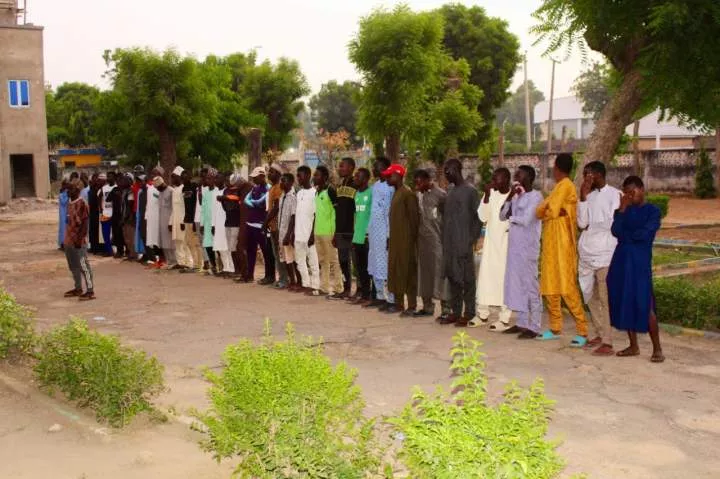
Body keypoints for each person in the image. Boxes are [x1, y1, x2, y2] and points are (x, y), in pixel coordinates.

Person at [608, 176, 664, 363]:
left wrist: (627, 235)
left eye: (633, 192)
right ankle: (633, 345)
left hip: (639, 263)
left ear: (642, 189)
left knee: (645, 303)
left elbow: (645, 234)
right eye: (626, 193)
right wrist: (622, 210)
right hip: (621, 261)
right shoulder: (623, 211)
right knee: (624, 300)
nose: (630, 196)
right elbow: (615, 231)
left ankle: (657, 348)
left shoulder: (653, 211)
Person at [536, 153, 588, 346]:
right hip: (551, 243)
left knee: (567, 286)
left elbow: (551, 209)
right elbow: (540, 210)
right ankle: (555, 327)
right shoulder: (558, 187)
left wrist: (548, 210)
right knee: (550, 285)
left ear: (557, 167)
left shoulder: (566, 185)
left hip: (563, 243)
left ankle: (582, 331)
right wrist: (548, 210)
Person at [578, 161, 621, 356]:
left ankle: (608, 342)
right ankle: (600, 332)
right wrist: (582, 198)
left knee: (604, 297)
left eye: (587, 175)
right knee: (588, 294)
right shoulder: (589, 197)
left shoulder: (615, 195)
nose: (585, 178)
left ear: (596, 175)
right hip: (587, 252)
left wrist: (595, 226)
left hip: (605, 253)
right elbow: (582, 223)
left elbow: (612, 224)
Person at [500, 166, 544, 339]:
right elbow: (502, 215)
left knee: (531, 287)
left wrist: (511, 218)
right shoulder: (518, 195)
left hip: (528, 249)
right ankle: (522, 322)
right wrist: (511, 196)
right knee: (517, 285)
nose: (516, 177)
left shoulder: (536, 197)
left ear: (529, 177)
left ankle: (535, 326)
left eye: (519, 174)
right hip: (515, 248)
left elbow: (526, 220)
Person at [442, 158, 482, 326]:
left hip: (463, 243)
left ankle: (469, 313)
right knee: (453, 278)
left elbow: (478, 218)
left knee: (467, 279)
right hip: (449, 243)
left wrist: (470, 240)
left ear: (456, 169)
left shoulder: (470, 191)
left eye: (447, 170)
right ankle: (455, 312)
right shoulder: (450, 191)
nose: (445, 174)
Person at [475, 168, 512, 330]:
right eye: (493, 179)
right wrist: (488, 196)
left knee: (504, 281)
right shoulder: (491, 194)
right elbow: (483, 217)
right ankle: (482, 314)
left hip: (506, 245)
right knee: (485, 279)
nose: (493, 182)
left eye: (496, 180)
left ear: (506, 181)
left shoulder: (514, 196)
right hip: (490, 245)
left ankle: (504, 318)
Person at [414, 168, 451, 319]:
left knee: (439, 274)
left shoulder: (441, 195)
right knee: (424, 275)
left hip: (437, 241)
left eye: (419, 182)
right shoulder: (418, 195)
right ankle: (427, 306)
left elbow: (448, 219)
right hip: (422, 242)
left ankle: (446, 309)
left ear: (428, 181)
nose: (416, 185)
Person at [386, 164, 420, 316]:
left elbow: (414, 219)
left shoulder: (407, 193)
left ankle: (411, 305)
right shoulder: (397, 192)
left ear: (398, 176)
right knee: (395, 270)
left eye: (390, 175)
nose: (387, 178)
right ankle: (399, 303)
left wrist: (412, 241)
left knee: (408, 271)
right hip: (395, 240)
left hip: (406, 241)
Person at [366, 157, 395, 310]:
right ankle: (379, 296)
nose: (373, 169)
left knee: (386, 266)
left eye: (376, 166)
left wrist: (389, 235)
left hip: (385, 232)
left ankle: (391, 299)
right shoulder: (375, 186)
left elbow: (389, 213)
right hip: (374, 232)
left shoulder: (391, 188)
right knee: (375, 264)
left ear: (385, 168)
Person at [62, 179, 95, 301]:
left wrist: (79, 239)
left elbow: (85, 223)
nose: (68, 192)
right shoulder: (70, 203)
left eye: (70, 189)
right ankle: (78, 288)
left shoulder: (82, 203)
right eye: (67, 189)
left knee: (83, 266)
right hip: (69, 240)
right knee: (73, 266)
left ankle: (90, 291)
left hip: (78, 241)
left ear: (77, 189)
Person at [313, 165, 343, 297]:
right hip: (318, 231)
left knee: (333, 261)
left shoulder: (330, 190)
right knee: (323, 261)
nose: (314, 177)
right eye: (314, 175)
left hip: (329, 232)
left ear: (324, 177)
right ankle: (324, 287)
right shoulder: (317, 191)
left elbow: (337, 211)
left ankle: (338, 288)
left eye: (317, 175)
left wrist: (335, 233)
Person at [293, 166, 321, 295]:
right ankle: (306, 284)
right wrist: (293, 231)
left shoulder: (314, 193)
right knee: (300, 261)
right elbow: (296, 214)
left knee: (313, 262)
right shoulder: (299, 193)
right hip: (298, 234)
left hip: (309, 234)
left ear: (308, 176)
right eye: (297, 176)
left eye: (301, 175)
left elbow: (316, 216)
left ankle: (315, 286)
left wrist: (312, 235)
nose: (298, 178)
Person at [246, 167, 275, 284]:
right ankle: (249, 275)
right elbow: (245, 201)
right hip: (250, 223)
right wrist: (254, 203)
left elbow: (260, 204)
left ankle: (269, 276)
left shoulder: (268, 189)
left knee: (266, 252)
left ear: (262, 176)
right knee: (250, 250)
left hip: (262, 225)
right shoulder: (254, 188)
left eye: (255, 177)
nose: (253, 179)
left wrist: (253, 203)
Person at [334, 157, 357, 299]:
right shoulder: (340, 185)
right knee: (343, 261)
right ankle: (346, 289)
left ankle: (360, 290)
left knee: (355, 262)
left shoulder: (355, 184)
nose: (340, 168)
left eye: (342, 166)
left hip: (352, 230)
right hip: (340, 229)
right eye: (339, 166)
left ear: (351, 168)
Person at [263, 164, 289, 288]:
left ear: (278, 175)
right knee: (276, 254)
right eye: (269, 172)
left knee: (280, 254)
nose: (269, 174)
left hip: (278, 225)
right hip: (273, 226)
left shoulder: (279, 188)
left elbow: (277, 207)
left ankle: (284, 279)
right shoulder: (272, 188)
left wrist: (265, 222)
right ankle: (281, 278)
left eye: (272, 172)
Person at [351, 167, 373, 304]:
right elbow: (355, 216)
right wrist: (354, 234)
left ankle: (371, 295)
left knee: (369, 267)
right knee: (360, 268)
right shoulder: (356, 194)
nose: (355, 179)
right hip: (357, 236)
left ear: (365, 178)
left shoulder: (371, 193)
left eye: (358, 177)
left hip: (368, 236)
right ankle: (364, 295)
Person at [278, 172, 299, 291]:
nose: (282, 183)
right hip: (281, 233)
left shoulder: (292, 197)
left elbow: (293, 216)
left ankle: (296, 281)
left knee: (291, 259)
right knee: (285, 259)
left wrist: (288, 234)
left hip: (288, 233)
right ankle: (291, 280)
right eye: (281, 180)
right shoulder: (282, 196)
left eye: (284, 180)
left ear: (291, 182)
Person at [180, 169, 203, 272]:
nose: (184, 179)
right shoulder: (184, 188)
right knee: (189, 243)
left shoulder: (194, 187)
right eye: (182, 177)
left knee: (195, 243)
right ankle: (194, 263)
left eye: (186, 177)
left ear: (190, 177)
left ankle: (198, 265)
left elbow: (195, 204)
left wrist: (194, 220)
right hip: (187, 218)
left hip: (193, 219)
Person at [212, 173, 234, 276]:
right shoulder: (215, 192)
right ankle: (225, 268)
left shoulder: (226, 192)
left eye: (217, 178)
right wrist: (213, 224)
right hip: (217, 223)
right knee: (220, 247)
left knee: (227, 246)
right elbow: (213, 210)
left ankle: (231, 269)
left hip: (226, 222)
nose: (215, 180)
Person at [169, 167, 189, 270]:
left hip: (182, 220)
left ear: (179, 177)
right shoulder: (175, 190)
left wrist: (183, 221)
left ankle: (188, 262)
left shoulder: (183, 189)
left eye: (174, 177)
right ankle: (180, 262)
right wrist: (170, 222)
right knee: (177, 242)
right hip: (175, 220)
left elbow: (186, 207)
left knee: (184, 241)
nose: (172, 180)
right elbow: (174, 208)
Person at [199, 169, 218, 274]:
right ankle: (213, 265)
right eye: (207, 178)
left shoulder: (218, 191)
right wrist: (201, 224)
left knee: (217, 244)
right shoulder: (205, 193)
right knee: (207, 244)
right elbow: (203, 209)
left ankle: (221, 266)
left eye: (210, 178)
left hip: (215, 222)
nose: (208, 180)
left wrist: (215, 224)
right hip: (206, 222)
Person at [145, 167, 164, 266]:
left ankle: (161, 259)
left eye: (156, 173)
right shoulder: (149, 187)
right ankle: (155, 259)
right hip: (150, 216)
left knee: (159, 238)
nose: (154, 175)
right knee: (151, 238)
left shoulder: (162, 188)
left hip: (159, 217)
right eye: (153, 173)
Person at [155, 176, 176, 268]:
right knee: (164, 242)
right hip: (161, 220)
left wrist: (171, 222)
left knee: (171, 242)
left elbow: (174, 208)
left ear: (163, 184)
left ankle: (175, 261)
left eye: (158, 187)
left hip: (169, 221)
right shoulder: (160, 192)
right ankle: (169, 261)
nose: (157, 189)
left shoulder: (171, 191)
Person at [120, 173, 137, 260]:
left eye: (125, 179)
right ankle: (131, 253)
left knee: (131, 237)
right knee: (126, 237)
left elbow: (130, 205)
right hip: (124, 216)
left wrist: (128, 217)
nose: (123, 181)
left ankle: (134, 254)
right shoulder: (124, 191)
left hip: (129, 217)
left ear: (130, 181)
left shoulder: (130, 191)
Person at [99, 172, 116, 256]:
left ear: (114, 178)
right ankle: (109, 251)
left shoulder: (117, 187)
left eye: (110, 177)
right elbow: (99, 198)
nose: (108, 178)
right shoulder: (104, 188)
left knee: (116, 234)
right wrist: (101, 210)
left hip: (115, 214)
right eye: (108, 177)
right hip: (106, 213)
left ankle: (121, 250)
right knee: (105, 233)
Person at [87, 173, 102, 254]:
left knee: (97, 231)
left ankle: (98, 248)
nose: (95, 181)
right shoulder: (91, 190)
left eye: (97, 179)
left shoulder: (99, 190)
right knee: (92, 231)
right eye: (94, 179)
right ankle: (93, 247)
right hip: (92, 213)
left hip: (98, 213)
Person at [57, 180, 69, 250]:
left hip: (67, 212)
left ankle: (66, 244)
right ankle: (62, 243)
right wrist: (68, 195)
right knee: (62, 229)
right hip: (62, 213)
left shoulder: (67, 193)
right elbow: (64, 202)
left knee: (66, 228)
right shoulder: (61, 194)